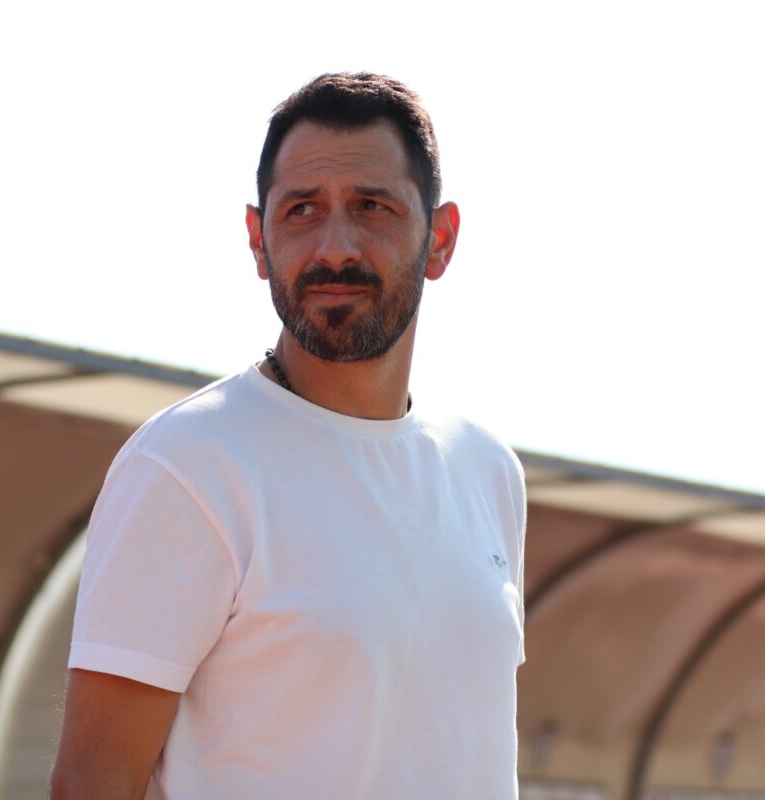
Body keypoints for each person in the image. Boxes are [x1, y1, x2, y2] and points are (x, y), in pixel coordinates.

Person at [50, 73, 527, 800]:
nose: (335, 247)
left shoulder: (487, 470)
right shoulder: (188, 464)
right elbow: (94, 781)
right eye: (302, 210)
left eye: (372, 207)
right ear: (258, 239)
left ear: (441, 239)